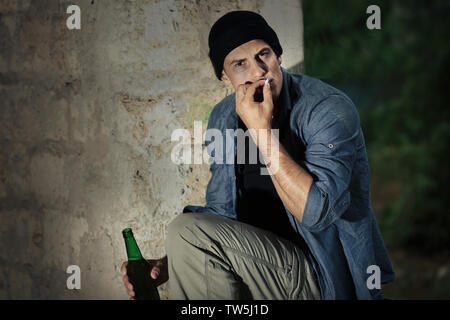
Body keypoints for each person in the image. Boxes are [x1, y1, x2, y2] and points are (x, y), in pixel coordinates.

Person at [121, 10, 395, 300]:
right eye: (240, 64)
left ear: (278, 55)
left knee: (185, 231)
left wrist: (260, 130)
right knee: (186, 235)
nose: (258, 71)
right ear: (225, 77)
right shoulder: (223, 117)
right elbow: (222, 213)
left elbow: (318, 213)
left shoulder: (327, 109)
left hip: (320, 276)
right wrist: (172, 263)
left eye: (264, 55)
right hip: (260, 270)